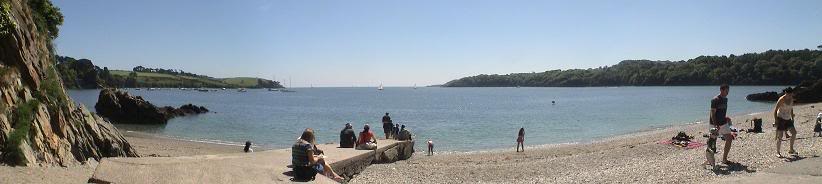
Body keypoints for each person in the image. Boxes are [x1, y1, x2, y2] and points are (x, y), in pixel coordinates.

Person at [710, 84, 734, 164]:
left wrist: (726, 118)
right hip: (714, 124)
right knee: (713, 142)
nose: (727, 92)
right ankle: (710, 160)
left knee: (729, 139)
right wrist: (715, 125)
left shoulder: (725, 99)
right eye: (726, 91)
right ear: (721, 90)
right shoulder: (715, 100)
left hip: (723, 123)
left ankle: (724, 159)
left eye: (728, 91)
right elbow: (712, 114)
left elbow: (722, 111)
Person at [774, 88, 797, 158]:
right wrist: (776, 121)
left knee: (794, 133)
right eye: (788, 94)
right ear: (785, 93)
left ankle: (791, 149)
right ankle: (778, 152)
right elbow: (775, 110)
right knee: (780, 136)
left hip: (788, 118)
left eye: (790, 94)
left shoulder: (791, 99)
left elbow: (791, 108)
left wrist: (792, 118)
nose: (789, 96)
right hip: (780, 118)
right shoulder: (781, 99)